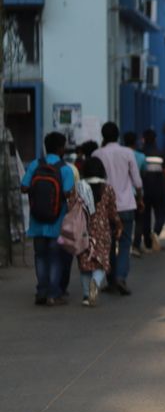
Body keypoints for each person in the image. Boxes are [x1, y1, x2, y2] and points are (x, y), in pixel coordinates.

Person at [21, 131, 77, 306]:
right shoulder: (65, 169)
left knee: (40, 256)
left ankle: (41, 291)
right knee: (55, 257)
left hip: (37, 221)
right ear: (61, 149)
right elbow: (69, 194)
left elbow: (24, 187)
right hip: (56, 222)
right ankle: (54, 294)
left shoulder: (35, 165)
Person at [93, 122, 143, 296]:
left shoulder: (97, 154)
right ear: (118, 135)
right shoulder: (128, 153)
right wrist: (140, 199)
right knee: (125, 243)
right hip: (126, 205)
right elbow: (137, 181)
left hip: (105, 207)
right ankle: (121, 277)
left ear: (103, 136)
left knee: (108, 244)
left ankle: (111, 280)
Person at [75, 157, 121, 307]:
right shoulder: (107, 188)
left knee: (84, 264)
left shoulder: (79, 188)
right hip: (102, 231)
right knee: (101, 263)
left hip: (82, 231)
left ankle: (86, 296)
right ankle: (95, 282)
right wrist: (118, 225)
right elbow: (112, 211)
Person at [136, 129, 165, 252]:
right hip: (159, 189)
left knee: (145, 216)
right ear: (155, 139)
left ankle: (148, 243)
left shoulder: (140, 154)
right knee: (161, 214)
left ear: (143, 139)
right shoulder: (161, 153)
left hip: (144, 190)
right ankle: (156, 232)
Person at [123, 131, 146, 258]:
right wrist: (140, 197)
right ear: (135, 142)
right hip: (136, 193)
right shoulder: (141, 157)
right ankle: (136, 246)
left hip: (121, 193)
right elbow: (143, 173)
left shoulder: (120, 155)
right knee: (139, 220)